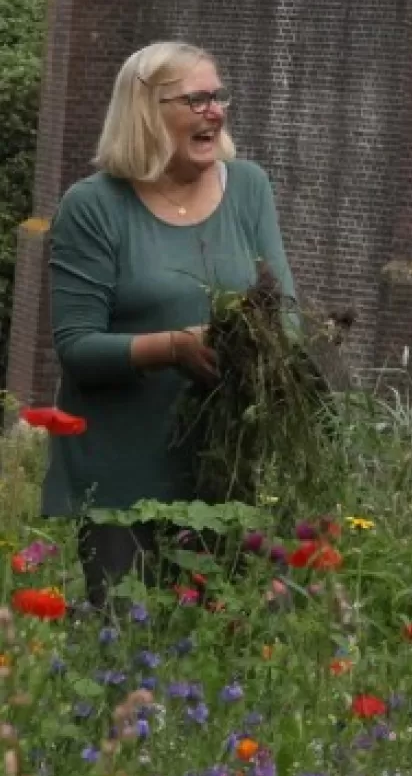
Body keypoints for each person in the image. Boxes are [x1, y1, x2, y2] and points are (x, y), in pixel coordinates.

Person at [43, 41, 295, 608]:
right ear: (145, 111)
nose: (215, 111)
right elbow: (77, 348)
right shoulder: (93, 207)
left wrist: (268, 357)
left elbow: (285, 311)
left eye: (218, 97)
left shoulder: (248, 188)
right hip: (121, 476)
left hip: (225, 470)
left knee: (235, 635)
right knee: (127, 638)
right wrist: (174, 348)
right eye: (196, 100)